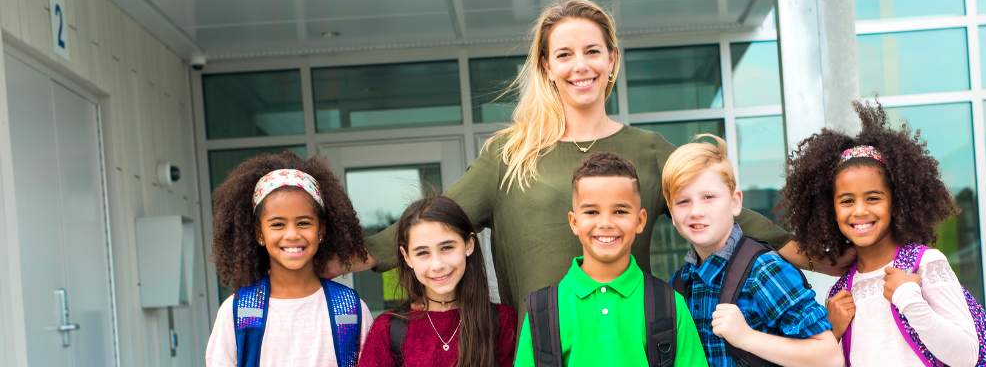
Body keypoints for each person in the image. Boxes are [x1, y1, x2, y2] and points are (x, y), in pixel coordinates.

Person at [351, 0, 837, 314]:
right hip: (538, 348)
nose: (579, 66)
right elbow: (432, 226)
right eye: (564, 54)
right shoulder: (509, 154)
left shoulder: (647, 150)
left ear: (612, 60)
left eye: (592, 51)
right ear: (546, 66)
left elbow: (723, 212)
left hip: (632, 344)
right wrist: (336, 258)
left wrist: (832, 259)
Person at [778, 102, 986, 366]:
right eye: (846, 201)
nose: (859, 211)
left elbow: (966, 356)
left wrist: (908, 298)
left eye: (873, 198)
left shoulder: (925, 265)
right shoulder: (840, 292)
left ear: (896, 201)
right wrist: (832, 333)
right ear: (830, 209)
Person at [664, 134, 841, 366]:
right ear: (672, 214)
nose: (696, 211)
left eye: (708, 197)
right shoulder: (681, 282)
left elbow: (828, 356)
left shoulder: (763, 270)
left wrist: (747, 337)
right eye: (683, 201)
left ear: (735, 202)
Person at [514, 152, 706, 366]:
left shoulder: (669, 305)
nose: (605, 223)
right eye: (592, 212)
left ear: (640, 220)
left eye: (620, 211)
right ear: (574, 222)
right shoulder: (543, 312)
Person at [205, 152, 372, 367]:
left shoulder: (350, 309)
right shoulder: (238, 311)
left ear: (321, 230)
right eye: (277, 224)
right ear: (259, 234)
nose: (292, 234)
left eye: (303, 223)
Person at [358, 196, 517, 367]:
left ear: (469, 245)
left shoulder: (502, 321)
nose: (437, 265)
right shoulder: (388, 329)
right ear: (407, 257)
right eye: (422, 253)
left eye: (447, 248)